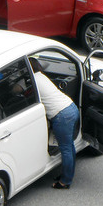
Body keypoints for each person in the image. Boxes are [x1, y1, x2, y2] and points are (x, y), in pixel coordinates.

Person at [29, 58, 79, 189]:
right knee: (69, 146)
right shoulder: (41, 76)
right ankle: (67, 174)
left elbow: (18, 90)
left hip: (62, 115)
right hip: (71, 107)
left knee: (65, 148)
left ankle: (65, 181)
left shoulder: (32, 79)